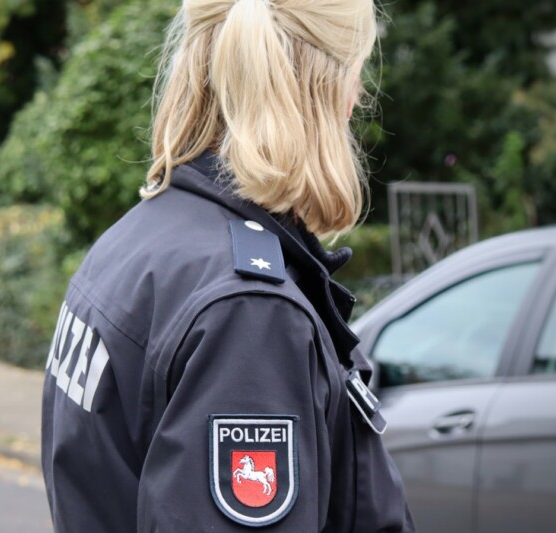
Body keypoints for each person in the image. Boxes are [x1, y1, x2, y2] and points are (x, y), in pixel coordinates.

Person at [42, 0, 415, 531]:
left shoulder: (139, 238)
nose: (359, 98)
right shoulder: (249, 312)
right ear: (332, 88)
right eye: (359, 71)